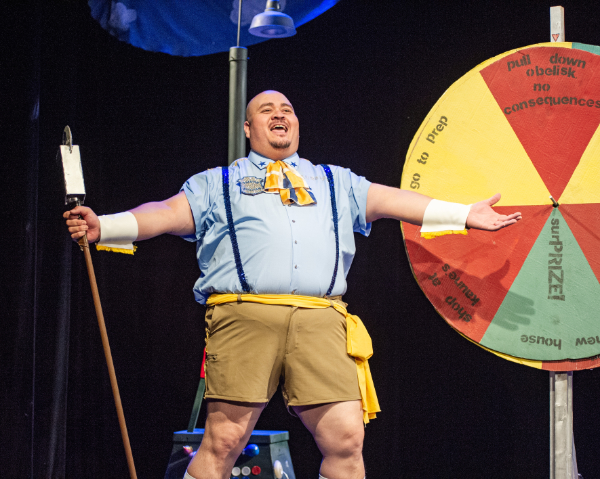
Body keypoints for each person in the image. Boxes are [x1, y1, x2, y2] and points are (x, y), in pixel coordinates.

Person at [65, 91, 521, 479]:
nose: (279, 114)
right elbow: (163, 213)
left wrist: (464, 213)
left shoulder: (333, 181)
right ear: (248, 127)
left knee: (347, 439)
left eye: (286, 108)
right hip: (245, 317)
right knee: (224, 440)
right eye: (266, 109)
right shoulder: (217, 184)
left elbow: (394, 200)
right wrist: (105, 225)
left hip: (321, 320)